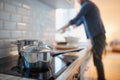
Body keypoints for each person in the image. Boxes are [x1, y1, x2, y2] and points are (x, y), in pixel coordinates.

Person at [59, 0, 106, 80]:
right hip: (96, 36)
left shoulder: (87, 5)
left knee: (97, 59)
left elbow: (77, 17)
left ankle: (102, 78)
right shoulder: (87, 6)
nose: (77, 1)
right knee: (97, 59)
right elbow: (80, 21)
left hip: (98, 36)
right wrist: (70, 27)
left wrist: (65, 27)